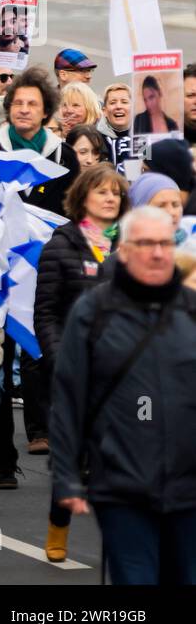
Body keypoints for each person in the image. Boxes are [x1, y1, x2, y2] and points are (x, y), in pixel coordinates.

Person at [51, 206, 196, 583]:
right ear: (126, 250)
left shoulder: (192, 311)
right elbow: (68, 396)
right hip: (122, 486)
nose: (158, 253)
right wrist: (65, 476)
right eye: (146, 243)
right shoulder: (94, 312)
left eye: (165, 243)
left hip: (189, 489)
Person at [33, 163, 129, 560]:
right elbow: (47, 313)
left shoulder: (134, 244)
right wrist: (60, 359)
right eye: (102, 191)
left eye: (116, 193)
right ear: (83, 196)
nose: (110, 198)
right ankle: (58, 524)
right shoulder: (62, 245)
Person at [0, 66, 80, 214]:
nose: (24, 110)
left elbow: (74, 213)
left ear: (46, 112)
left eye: (32, 104)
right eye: (18, 103)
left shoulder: (65, 157)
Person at [97, 81, 135, 164]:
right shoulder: (95, 139)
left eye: (124, 102)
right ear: (104, 111)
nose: (118, 106)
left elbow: (147, 168)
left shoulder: (142, 137)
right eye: (112, 103)